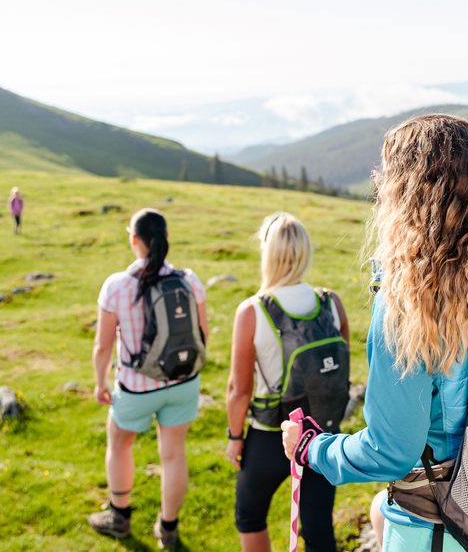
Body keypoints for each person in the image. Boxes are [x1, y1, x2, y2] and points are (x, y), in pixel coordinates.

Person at [281, 115, 468, 551]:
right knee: (380, 509)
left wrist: (310, 448)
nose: (378, 183)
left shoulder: (412, 301)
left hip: (444, 525)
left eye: (386, 174)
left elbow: (391, 451)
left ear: (409, 193)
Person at [226, 212, 350, 552]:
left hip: (269, 435)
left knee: (249, 515)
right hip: (321, 434)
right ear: (306, 251)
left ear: (268, 253)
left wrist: (235, 438)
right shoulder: (330, 302)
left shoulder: (253, 310)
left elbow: (239, 390)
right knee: (318, 529)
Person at [89, 208, 209, 548]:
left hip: (136, 386)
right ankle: (168, 529)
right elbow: (202, 333)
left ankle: (119, 518)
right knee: (173, 454)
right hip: (184, 383)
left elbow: (103, 345)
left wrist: (100, 381)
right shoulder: (190, 280)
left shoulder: (117, 285)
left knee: (119, 443)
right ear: (167, 239)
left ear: (133, 240)